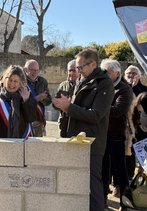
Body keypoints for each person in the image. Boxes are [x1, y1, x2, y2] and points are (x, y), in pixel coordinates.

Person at [52, 49, 115, 211]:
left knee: (93, 185)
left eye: (81, 67)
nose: (77, 70)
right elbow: (78, 107)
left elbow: (96, 115)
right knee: (75, 181)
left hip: (92, 143)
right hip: (75, 139)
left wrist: (69, 107)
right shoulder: (82, 79)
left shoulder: (104, 83)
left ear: (93, 64)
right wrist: (66, 106)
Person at [100, 59, 133, 210]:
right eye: (102, 71)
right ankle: (102, 200)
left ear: (117, 73)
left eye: (107, 71)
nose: (104, 74)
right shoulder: (100, 86)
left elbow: (118, 110)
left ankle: (124, 203)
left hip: (116, 135)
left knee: (120, 171)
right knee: (103, 169)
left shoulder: (125, 89)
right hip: (101, 134)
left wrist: (98, 108)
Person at [0, 65, 36, 138]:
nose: (12, 84)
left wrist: (26, 100)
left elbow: (31, 118)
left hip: (20, 142)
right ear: (5, 80)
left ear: (20, 83)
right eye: (10, 80)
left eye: (15, 81)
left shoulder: (26, 96)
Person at [123, 65, 147, 182]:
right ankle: (128, 177)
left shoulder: (145, 89)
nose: (131, 75)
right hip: (125, 125)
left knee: (140, 151)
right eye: (129, 73)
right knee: (128, 153)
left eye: (134, 73)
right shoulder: (122, 87)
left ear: (139, 75)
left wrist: (133, 88)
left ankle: (140, 175)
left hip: (139, 125)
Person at [24, 59, 51, 137]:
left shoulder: (43, 81)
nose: (35, 72)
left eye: (37, 70)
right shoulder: (20, 81)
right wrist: (37, 98)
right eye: (32, 70)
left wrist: (43, 99)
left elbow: (49, 101)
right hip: (25, 120)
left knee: (37, 147)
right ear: (26, 69)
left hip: (38, 120)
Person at [54, 59, 79, 137]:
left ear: (79, 71)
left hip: (76, 123)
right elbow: (55, 103)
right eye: (69, 70)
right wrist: (57, 104)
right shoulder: (62, 85)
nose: (71, 73)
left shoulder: (82, 85)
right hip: (63, 122)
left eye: (74, 70)